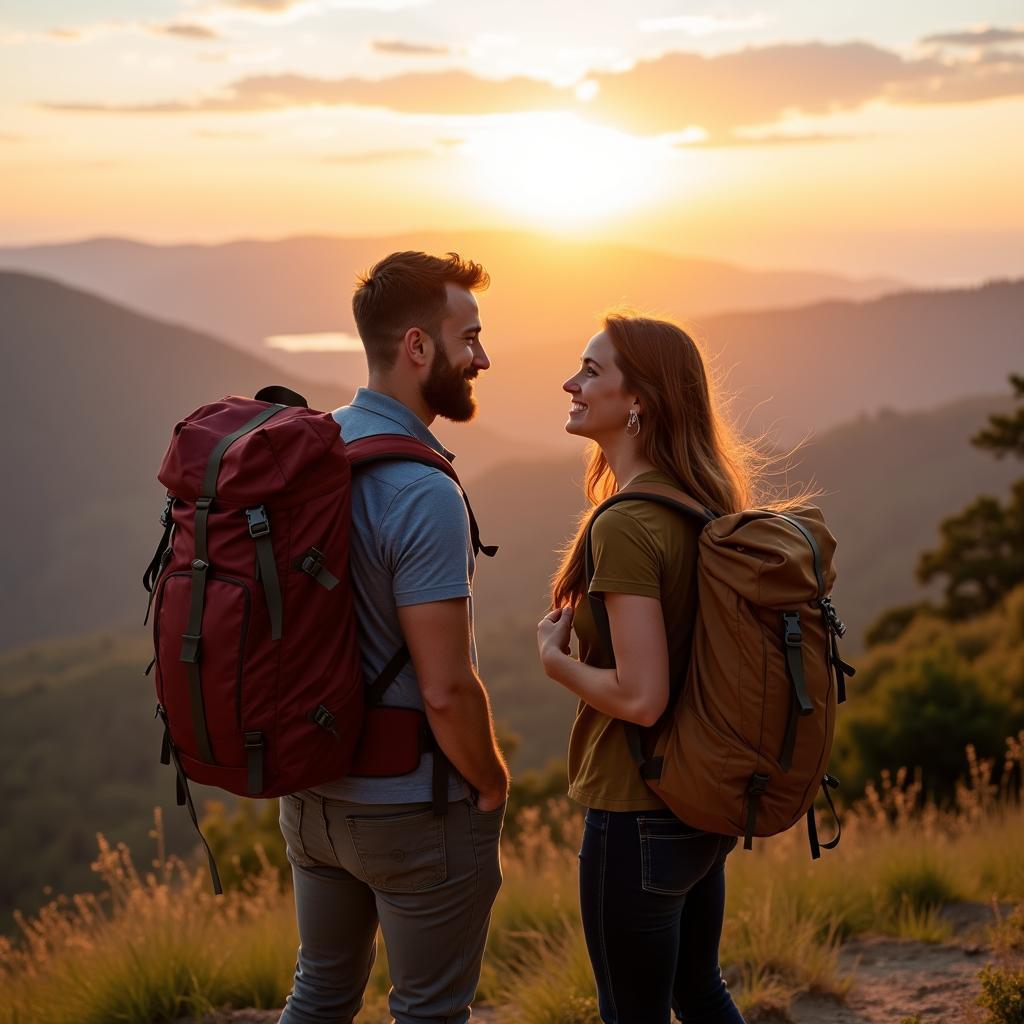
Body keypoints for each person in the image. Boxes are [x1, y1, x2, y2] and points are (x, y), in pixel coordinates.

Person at [278, 251, 510, 1024]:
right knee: (429, 1012)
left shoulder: (309, 449)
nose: (482, 356)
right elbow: (445, 688)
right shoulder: (421, 492)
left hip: (311, 796)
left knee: (319, 993)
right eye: (468, 336)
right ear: (418, 347)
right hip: (411, 808)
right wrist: (491, 782)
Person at [537, 313, 750, 1023]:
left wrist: (554, 661)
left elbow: (641, 695)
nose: (571, 382)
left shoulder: (628, 522)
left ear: (641, 401)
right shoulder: (702, 502)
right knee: (699, 990)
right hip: (697, 802)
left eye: (591, 371)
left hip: (637, 810)